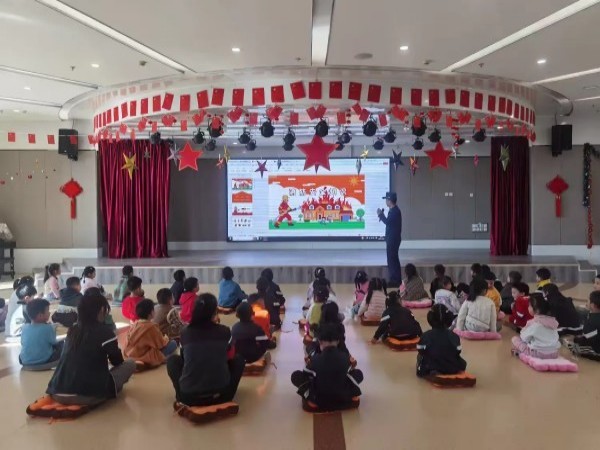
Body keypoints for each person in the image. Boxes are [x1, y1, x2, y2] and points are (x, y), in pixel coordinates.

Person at [46, 291, 136, 406]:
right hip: (87, 396)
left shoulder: (73, 330)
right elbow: (117, 361)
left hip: (57, 392)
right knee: (130, 364)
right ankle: (109, 389)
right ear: (101, 310)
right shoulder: (105, 332)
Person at [166, 293, 245, 406]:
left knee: (172, 360)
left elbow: (184, 360)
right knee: (239, 360)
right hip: (222, 395)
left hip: (189, 397)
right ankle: (225, 397)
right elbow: (230, 357)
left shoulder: (185, 332)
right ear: (214, 312)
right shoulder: (225, 331)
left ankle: (181, 397)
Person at [291, 323, 363, 412]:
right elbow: (349, 372)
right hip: (342, 396)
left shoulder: (315, 359)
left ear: (319, 342)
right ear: (338, 341)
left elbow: (306, 374)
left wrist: (311, 365)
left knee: (296, 375)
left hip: (319, 398)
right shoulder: (345, 356)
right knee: (358, 373)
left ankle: (312, 400)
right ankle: (351, 396)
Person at [417, 304, 467, 377]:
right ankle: (450, 369)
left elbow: (420, 349)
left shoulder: (426, 335)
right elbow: (458, 350)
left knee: (420, 357)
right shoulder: (454, 335)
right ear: (449, 319)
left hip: (431, 364)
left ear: (430, 319)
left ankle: (434, 370)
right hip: (451, 365)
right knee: (461, 362)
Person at [125, 299, 178, 368]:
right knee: (173, 343)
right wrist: (166, 338)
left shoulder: (135, 324)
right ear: (151, 312)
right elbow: (160, 344)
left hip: (132, 353)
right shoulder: (151, 326)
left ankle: (138, 361)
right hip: (146, 354)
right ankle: (153, 360)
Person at [511, 295, 560, 359]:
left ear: (537, 310)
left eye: (529, 306)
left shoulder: (535, 323)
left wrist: (524, 330)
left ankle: (521, 353)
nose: (528, 307)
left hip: (538, 353)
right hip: (554, 353)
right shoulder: (553, 322)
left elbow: (524, 338)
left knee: (515, 339)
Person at [19, 299, 63, 368]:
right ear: (40, 315)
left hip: (25, 362)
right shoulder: (48, 328)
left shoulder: (24, 327)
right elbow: (54, 342)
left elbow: (22, 342)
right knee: (61, 344)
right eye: (47, 311)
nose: (49, 313)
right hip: (45, 361)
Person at [377, 191, 402, 287]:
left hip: (393, 240)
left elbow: (388, 222)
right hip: (392, 239)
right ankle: (395, 279)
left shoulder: (395, 211)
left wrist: (380, 214)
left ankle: (395, 280)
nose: (386, 202)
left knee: (392, 260)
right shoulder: (393, 210)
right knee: (392, 259)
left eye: (386, 200)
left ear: (390, 200)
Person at [567, 291, 600, 361]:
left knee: (572, 346)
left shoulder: (591, 321)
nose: (586, 302)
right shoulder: (594, 318)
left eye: (588, 300)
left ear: (593, 305)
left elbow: (587, 339)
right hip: (595, 341)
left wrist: (575, 339)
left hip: (597, 351)